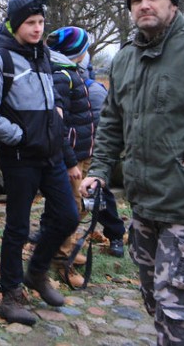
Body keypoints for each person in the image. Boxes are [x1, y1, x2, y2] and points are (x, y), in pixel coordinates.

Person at [80, 0, 184, 345]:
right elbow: (113, 121)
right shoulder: (125, 59)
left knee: (178, 306)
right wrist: (99, 170)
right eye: (136, 0)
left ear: (173, 3)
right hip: (144, 201)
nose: (144, 5)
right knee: (153, 296)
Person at [0, 0, 80, 326]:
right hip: (20, 158)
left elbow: (52, 109)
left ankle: (36, 272)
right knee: (17, 228)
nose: (37, 29)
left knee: (68, 217)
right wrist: (20, 136)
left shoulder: (44, 55)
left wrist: (65, 150)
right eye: (30, 23)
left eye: (41, 23)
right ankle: (11, 294)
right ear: (16, 24)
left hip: (50, 156)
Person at [46, 27, 126, 288]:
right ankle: (62, 262)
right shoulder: (62, 75)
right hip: (71, 155)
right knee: (69, 209)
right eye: (85, 49)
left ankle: (66, 248)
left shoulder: (71, 72)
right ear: (76, 52)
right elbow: (59, 122)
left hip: (82, 152)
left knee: (79, 206)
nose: (88, 54)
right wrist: (70, 160)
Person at [76, 52, 126, 260]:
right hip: (72, 150)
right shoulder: (63, 82)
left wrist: (99, 155)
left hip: (92, 152)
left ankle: (115, 235)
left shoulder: (94, 90)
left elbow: (104, 125)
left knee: (98, 194)